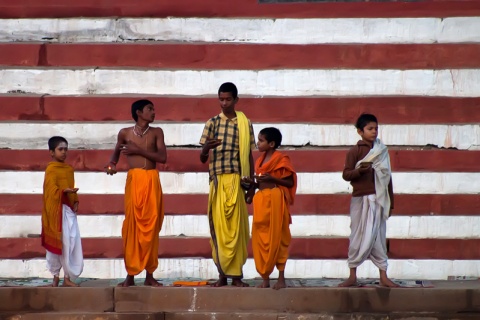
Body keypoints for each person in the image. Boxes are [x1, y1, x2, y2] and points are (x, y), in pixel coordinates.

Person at [199, 82, 256, 287]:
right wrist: (206, 148)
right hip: (218, 180)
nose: (224, 103)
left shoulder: (245, 123)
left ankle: (237, 277)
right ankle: (222, 275)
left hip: (238, 180)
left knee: (238, 230)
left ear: (236, 100)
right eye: (221, 99)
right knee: (220, 230)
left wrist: (252, 184)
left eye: (228, 99)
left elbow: (249, 154)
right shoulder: (212, 123)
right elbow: (202, 158)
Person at [105, 99, 167, 287]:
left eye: (153, 109)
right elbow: (115, 154)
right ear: (139, 112)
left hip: (151, 180)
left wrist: (138, 150)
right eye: (150, 109)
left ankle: (149, 275)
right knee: (132, 227)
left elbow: (162, 158)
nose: (154, 112)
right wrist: (111, 165)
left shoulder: (157, 132)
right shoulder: (124, 133)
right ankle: (130, 275)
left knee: (152, 226)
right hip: (134, 181)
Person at [339, 113, 398, 287]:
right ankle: (352, 275)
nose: (374, 132)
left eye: (376, 128)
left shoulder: (382, 150)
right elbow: (346, 174)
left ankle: (384, 276)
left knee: (379, 236)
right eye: (370, 129)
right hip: (360, 198)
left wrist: (391, 202)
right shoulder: (355, 151)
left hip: (379, 199)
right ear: (360, 131)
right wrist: (360, 171)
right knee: (357, 236)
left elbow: (387, 178)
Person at [243, 127, 297, 290]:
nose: (258, 143)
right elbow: (260, 183)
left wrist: (273, 178)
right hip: (262, 201)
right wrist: (250, 184)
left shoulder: (282, 159)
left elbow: (289, 183)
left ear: (271, 143)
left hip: (275, 200)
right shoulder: (259, 161)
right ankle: (265, 278)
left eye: (261, 141)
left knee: (279, 238)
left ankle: (281, 278)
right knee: (260, 238)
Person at [41, 136, 83, 287]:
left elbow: (71, 186)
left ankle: (67, 278)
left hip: (68, 210)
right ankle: (55, 277)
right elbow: (50, 190)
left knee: (70, 243)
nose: (64, 152)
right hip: (56, 212)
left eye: (66, 149)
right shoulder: (51, 169)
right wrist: (63, 191)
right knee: (57, 245)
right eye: (60, 149)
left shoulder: (69, 169)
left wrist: (75, 200)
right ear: (51, 152)